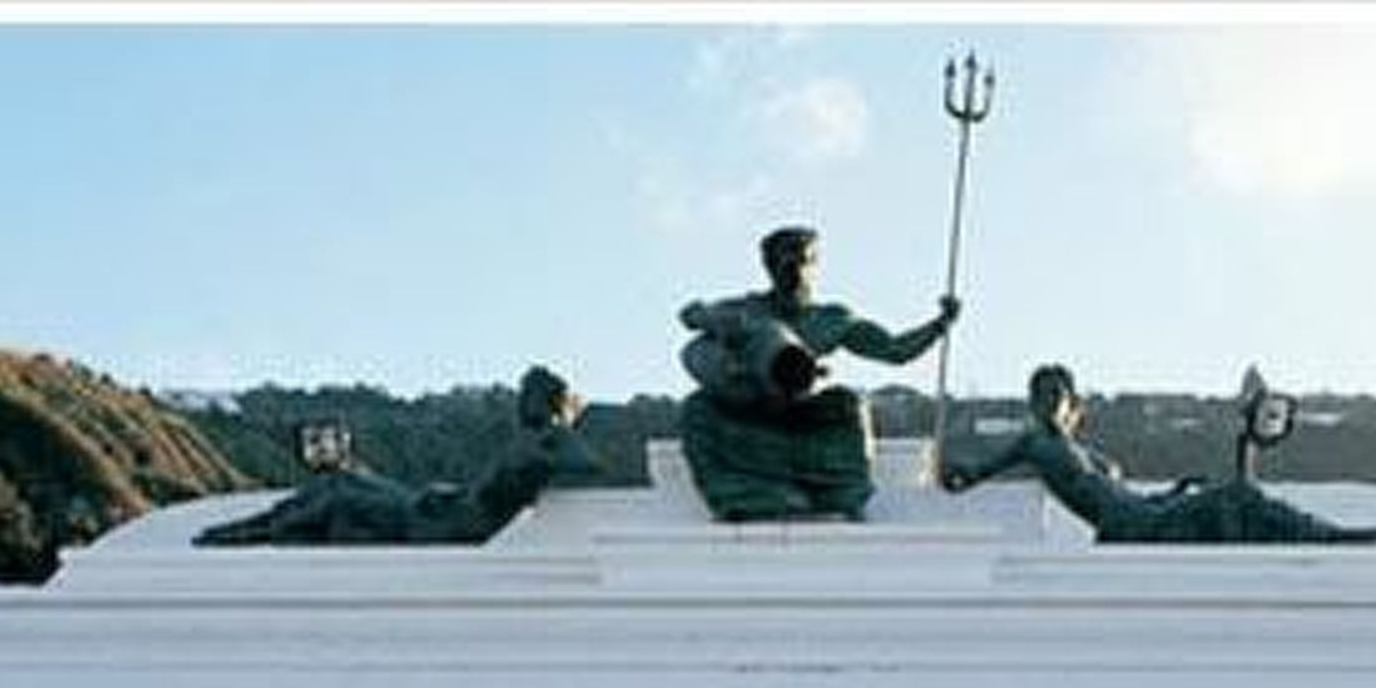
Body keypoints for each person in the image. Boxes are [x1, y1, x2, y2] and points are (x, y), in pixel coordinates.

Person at [677, 225, 959, 521]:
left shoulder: (831, 319)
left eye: (804, 261)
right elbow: (690, 313)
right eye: (785, 262)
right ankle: (735, 493)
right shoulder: (747, 310)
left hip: (802, 413)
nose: (795, 271)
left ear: (814, 264)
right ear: (770, 267)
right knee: (698, 408)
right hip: (751, 407)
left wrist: (939, 324)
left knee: (848, 402)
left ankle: (841, 491)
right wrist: (713, 321)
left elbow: (895, 350)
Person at [941, 363, 1376, 544]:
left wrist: (1171, 492)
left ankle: (1326, 539)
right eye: (1041, 393)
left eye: (1056, 393)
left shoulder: (1082, 453)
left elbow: (1124, 494)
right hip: (1131, 527)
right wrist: (959, 474)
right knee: (1239, 494)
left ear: (1073, 403)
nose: (1048, 401)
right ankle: (1333, 539)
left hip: (1145, 513)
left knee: (1231, 498)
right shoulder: (1034, 442)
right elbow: (975, 472)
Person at [195, 364, 602, 546]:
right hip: (443, 506)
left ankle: (255, 531)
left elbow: (587, 463)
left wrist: (561, 430)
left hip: (451, 528)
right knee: (343, 480)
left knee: (342, 495)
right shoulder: (531, 437)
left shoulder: (549, 440)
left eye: (528, 394)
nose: (521, 402)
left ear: (546, 401)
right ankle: (265, 523)